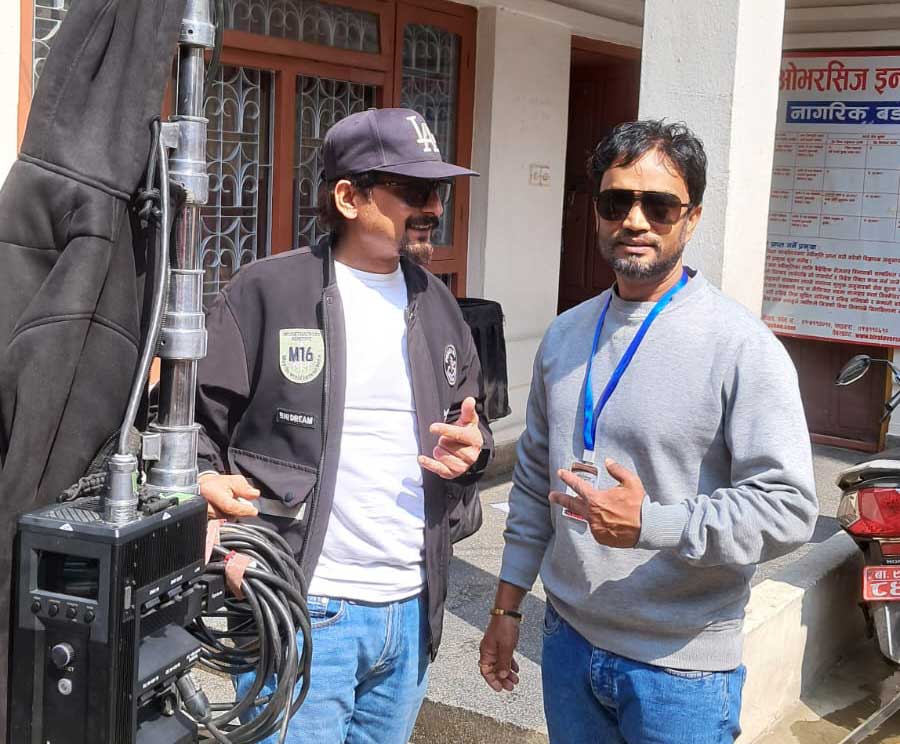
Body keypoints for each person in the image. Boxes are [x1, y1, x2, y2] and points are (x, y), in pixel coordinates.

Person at [478, 119, 817, 743]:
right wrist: (507, 605)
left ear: (691, 218)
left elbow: (789, 508)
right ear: (598, 213)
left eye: (659, 205)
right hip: (568, 643)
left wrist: (653, 523)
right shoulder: (565, 335)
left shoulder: (742, 347)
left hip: (681, 668)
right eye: (616, 202)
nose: (634, 221)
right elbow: (530, 486)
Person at [195, 107, 493, 744]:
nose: (433, 207)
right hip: (304, 605)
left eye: (438, 191)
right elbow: (196, 429)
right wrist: (208, 505)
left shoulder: (438, 303)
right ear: (349, 197)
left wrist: (475, 452)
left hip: (411, 614)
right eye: (414, 190)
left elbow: (471, 425)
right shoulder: (266, 291)